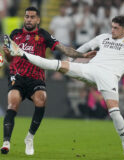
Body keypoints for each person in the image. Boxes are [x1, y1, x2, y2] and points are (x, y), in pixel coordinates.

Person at [6, 15, 124, 159]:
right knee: (56, 65)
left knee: (114, 112)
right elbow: (85, 46)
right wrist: (71, 58)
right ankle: (21, 53)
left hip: (109, 76)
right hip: (90, 69)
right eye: (112, 27)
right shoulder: (103, 37)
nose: (112, 30)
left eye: (116, 28)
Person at [1, 6, 95, 155]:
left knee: (41, 100)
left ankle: (29, 137)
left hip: (36, 77)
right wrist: (6, 54)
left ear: (38, 20)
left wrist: (83, 55)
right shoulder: (15, 34)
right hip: (17, 76)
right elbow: (9, 58)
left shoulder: (43, 35)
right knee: (12, 103)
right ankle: (6, 142)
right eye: (27, 16)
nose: (29, 19)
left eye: (32, 17)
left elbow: (64, 49)